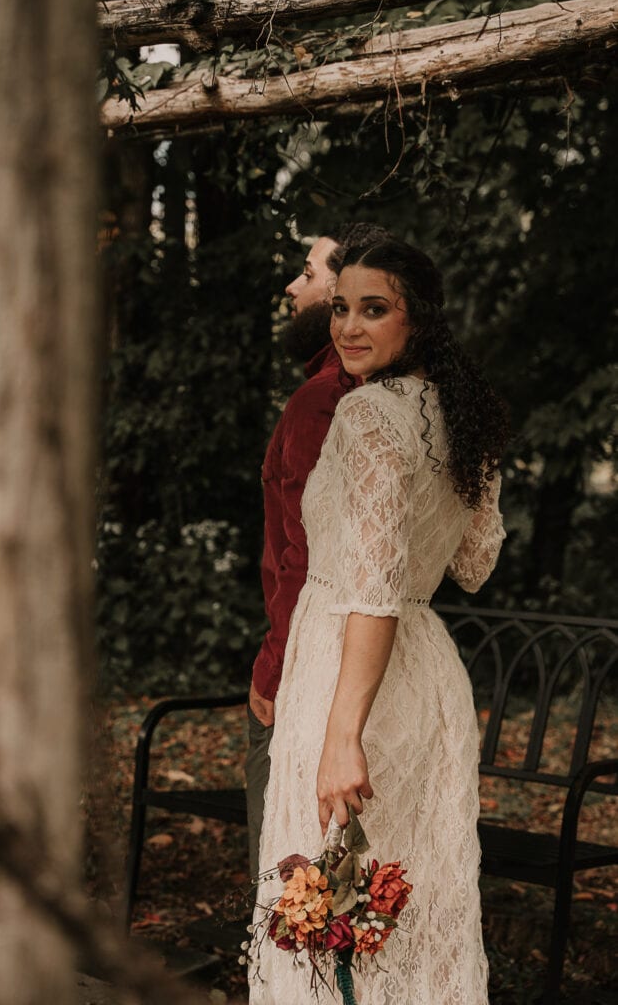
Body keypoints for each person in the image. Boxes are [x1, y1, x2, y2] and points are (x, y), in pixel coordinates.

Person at [249, 238, 508, 1004]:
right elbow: (472, 564)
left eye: (373, 309)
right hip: (423, 671)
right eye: (340, 308)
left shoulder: (365, 415)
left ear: (417, 320)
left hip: (347, 671)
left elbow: (371, 590)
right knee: (398, 898)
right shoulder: (464, 419)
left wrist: (340, 737)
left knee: (329, 899)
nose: (347, 328)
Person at [246, 223, 394, 880]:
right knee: (355, 889)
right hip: (380, 669)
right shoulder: (393, 397)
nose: (292, 285)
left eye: (308, 273)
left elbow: (306, 557)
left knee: (295, 883)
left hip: (312, 672)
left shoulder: (324, 401)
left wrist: (272, 669)